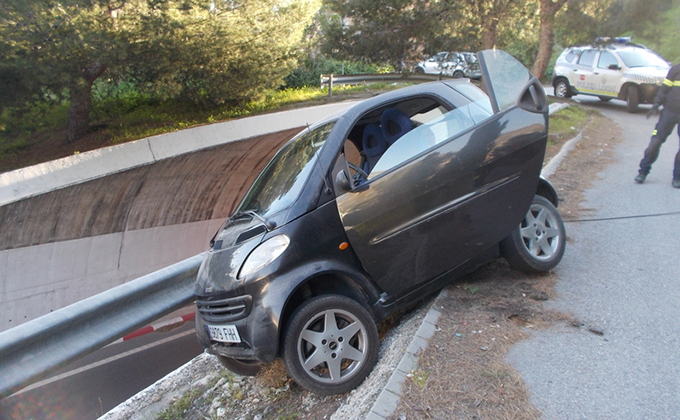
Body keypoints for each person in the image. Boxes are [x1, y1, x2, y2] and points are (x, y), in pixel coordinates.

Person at [634, 62, 680, 187]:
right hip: (669, 111)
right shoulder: (676, 69)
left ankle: (678, 177)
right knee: (655, 142)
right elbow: (664, 89)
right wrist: (656, 104)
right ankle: (643, 172)